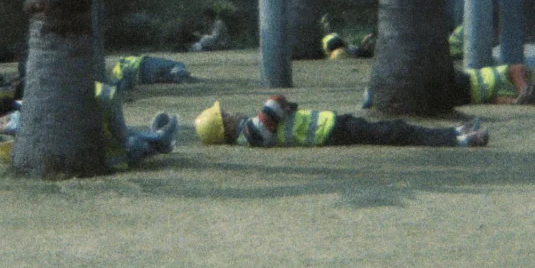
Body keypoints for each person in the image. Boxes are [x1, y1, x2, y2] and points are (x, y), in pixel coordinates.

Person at [0, 81, 178, 170]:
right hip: (104, 157)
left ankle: (158, 137)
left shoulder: (31, 108)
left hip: (96, 146)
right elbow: (120, 138)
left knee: (125, 137)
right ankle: (158, 139)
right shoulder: (25, 118)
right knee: (132, 144)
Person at [195, 95, 489, 148]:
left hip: (333, 126)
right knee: (395, 131)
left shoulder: (250, 131)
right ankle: (458, 140)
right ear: (225, 127)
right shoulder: (250, 133)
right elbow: (274, 103)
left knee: (394, 131)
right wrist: (281, 104)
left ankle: (454, 132)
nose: (229, 113)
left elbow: (277, 110)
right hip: (331, 131)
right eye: (224, 116)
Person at [361, 63, 535, 109]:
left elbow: (494, 100)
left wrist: (516, 101)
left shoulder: (515, 94)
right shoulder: (521, 74)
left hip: (467, 97)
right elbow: (516, 69)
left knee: (428, 100)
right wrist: (524, 89)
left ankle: (380, 98)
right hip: (466, 80)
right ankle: (377, 91)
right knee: (428, 83)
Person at [109, 55, 191, 91]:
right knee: (177, 65)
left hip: (143, 75)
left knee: (165, 74)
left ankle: (178, 75)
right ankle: (178, 74)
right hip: (144, 67)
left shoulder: (116, 72)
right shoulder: (121, 64)